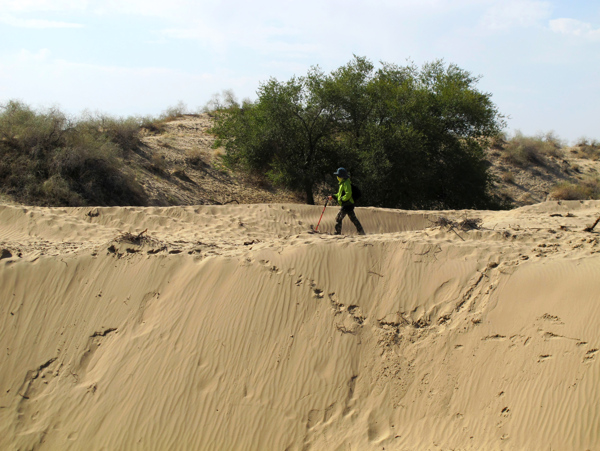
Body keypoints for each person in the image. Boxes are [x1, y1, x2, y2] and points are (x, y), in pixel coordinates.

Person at [328, 167, 365, 235]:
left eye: (338, 176)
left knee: (338, 218)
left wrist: (342, 199)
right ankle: (361, 232)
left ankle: (338, 232)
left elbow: (348, 194)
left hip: (347, 204)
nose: (337, 177)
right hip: (348, 204)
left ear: (342, 176)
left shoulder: (346, 183)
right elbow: (339, 194)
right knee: (353, 219)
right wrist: (333, 196)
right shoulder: (342, 183)